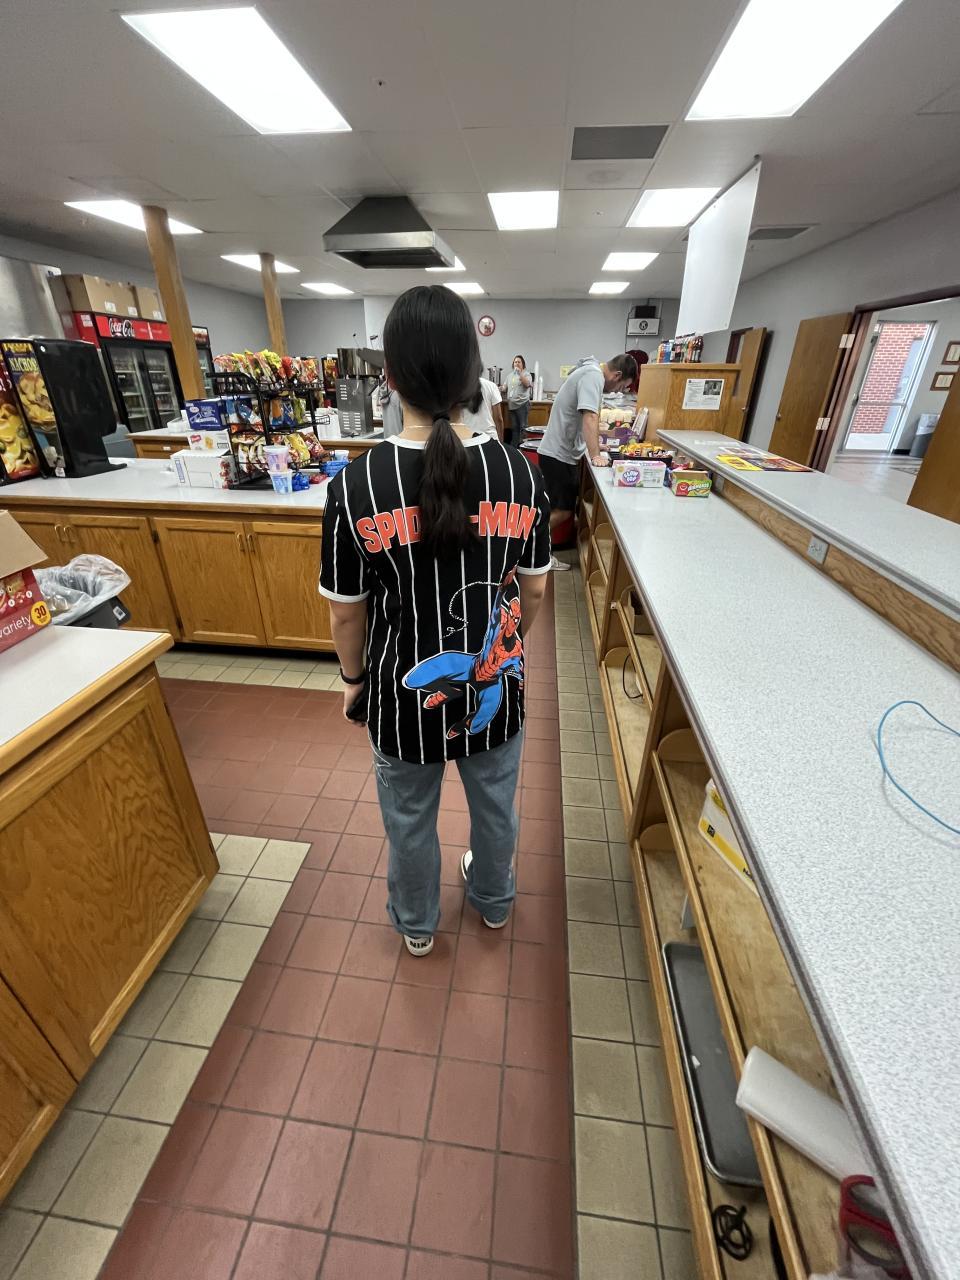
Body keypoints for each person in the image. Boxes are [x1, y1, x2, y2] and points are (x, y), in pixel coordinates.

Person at [319, 285, 551, 957]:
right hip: (498, 689)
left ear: (389, 377)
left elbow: (346, 612)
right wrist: (507, 651)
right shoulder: (520, 474)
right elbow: (534, 592)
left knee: (409, 818)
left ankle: (418, 924)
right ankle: (494, 903)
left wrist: (353, 681)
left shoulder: (356, 486)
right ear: (473, 373)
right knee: (496, 807)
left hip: (399, 695)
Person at [536, 353, 637, 570]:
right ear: (617, 375)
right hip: (558, 454)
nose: (618, 391)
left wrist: (597, 446)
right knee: (562, 511)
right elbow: (590, 417)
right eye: (621, 386)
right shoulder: (593, 376)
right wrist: (595, 455)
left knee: (558, 510)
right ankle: (532, 549)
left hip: (559, 453)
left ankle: (539, 552)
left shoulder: (590, 372)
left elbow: (587, 419)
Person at [459, 374, 504, 439]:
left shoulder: (461, 388)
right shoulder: (491, 386)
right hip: (490, 437)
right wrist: (501, 441)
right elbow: (498, 418)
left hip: (468, 437)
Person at [504, 354, 533, 446]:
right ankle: (514, 448)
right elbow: (505, 387)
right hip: (512, 406)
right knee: (514, 428)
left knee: (523, 428)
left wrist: (520, 373)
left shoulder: (526, 374)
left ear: (523, 364)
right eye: (515, 362)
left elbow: (527, 384)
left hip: (522, 405)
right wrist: (498, 388)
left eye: (519, 362)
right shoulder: (510, 376)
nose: (516, 363)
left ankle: (524, 447)